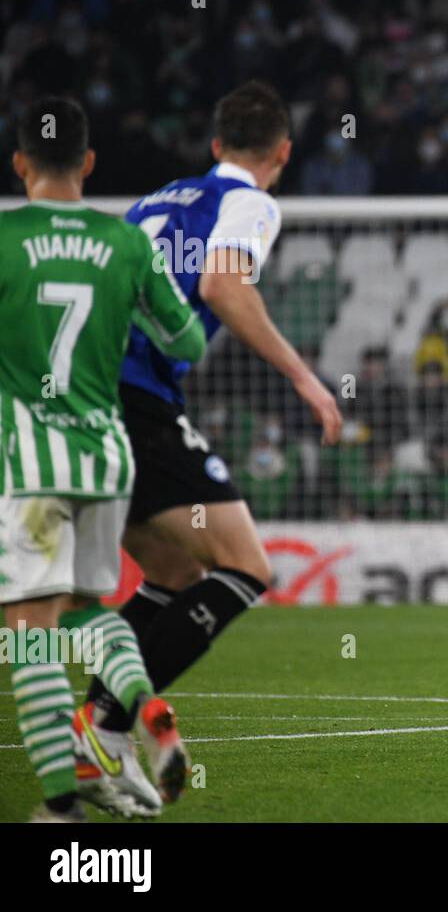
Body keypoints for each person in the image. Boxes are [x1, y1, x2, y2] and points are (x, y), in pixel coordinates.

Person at [78, 82, 343, 812]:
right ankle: (104, 725)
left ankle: (99, 730)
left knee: (167, 570)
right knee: (246, 567)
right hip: (139, 397)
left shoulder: (157, 200)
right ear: (283, 154)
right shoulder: (252, 203)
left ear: (215, 144)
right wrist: (306, 381)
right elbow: (225, 284)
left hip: (85, 396)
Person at [1, 97, 204, 820]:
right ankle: (148, 712)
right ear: (88, 163)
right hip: (107, 457)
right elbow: (188, 342)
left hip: (31, 464)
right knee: (90, 608)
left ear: (20, 163)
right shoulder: (125, 245)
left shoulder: (3, 238)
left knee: (27, 636)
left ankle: (61, 809)